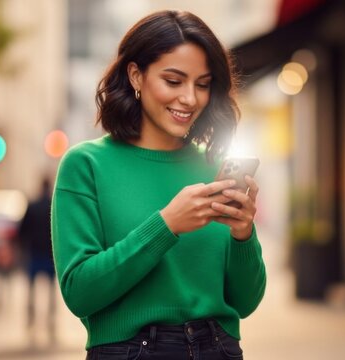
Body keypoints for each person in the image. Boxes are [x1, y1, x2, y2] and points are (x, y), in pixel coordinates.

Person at [51, 10, 266, 360]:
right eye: (173, 80)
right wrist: (166, 225)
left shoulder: (214, 168)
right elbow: (79, 293)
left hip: (219, 348)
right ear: (136, 75)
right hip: (132, 351)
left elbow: (245, 302)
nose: (190, 98)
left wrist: (244, 235)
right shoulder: (85, 164)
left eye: (202, 84)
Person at [19, 178, 56, 333]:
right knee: (51, 289)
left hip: (34, 252)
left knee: (31, 288)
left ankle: (31, 317)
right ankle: (51, 318)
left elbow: (22, 230)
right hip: (50, 253)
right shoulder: (52, 206)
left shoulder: (32, 205)